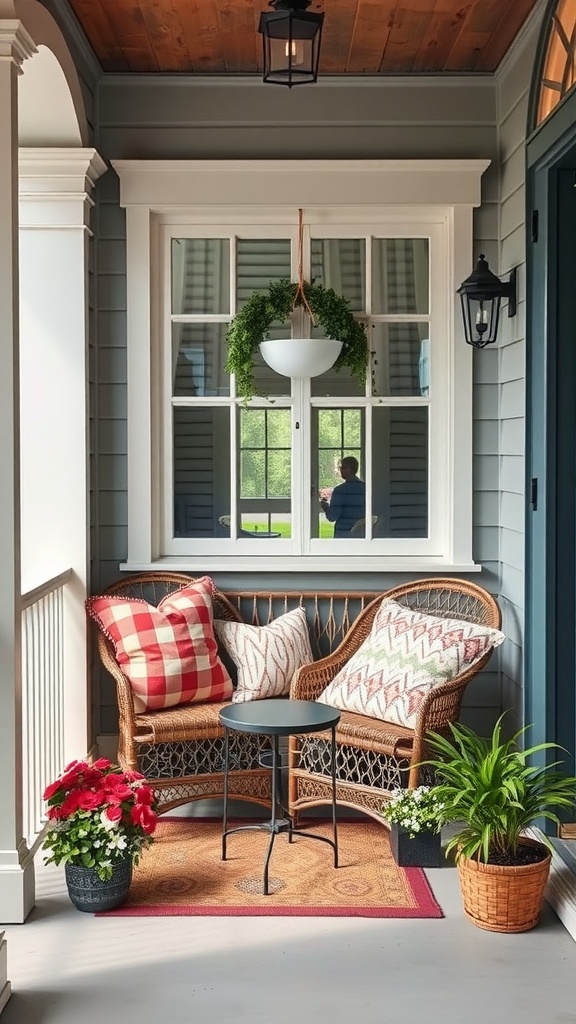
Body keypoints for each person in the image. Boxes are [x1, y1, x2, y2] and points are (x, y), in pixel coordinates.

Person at [320, 456, 366, 537]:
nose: (340, 470)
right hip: (362, 534)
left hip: (344, 534)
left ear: (348, 468)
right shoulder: (366, 488)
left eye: (341, 467)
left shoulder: (340, 490)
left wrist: (326, 507)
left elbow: (332, 517)